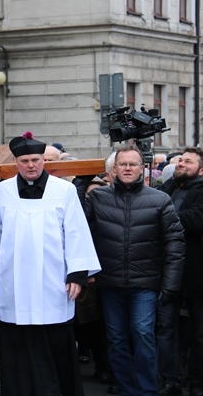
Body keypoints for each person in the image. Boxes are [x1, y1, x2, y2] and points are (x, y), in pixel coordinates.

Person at [0, 131, 101, 396]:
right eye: (24, 161)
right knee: (18, 347)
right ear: (16, 162)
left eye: (35, 159)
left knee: (55, 345)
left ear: (43, 160)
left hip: (53, 283)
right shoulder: (2, 191)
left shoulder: (64, 190)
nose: (30, 165)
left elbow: (77, 232)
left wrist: (77, 274)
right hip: (15, 284)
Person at [84, 145, 185, 396]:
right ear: (114, 169)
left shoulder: (160, 199)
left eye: (132, 164)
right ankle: (127, 390)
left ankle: (147, 391)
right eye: (123, 164)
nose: (127, 168)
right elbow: (80, 231)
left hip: (145, 283)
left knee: (143, 335)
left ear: (142, 168)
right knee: (116, 339)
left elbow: (175, 244)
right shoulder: (98, 198)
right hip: (110, 283)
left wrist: (170, 285)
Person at [155, 147, 203, 396]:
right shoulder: (167, 188)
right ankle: (170, 380)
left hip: (197, 275)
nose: (182, 164)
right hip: (167, 273)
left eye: (189, 161)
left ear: (201, 170)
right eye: (181, 160)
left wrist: (164, 216)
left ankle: (197, 381)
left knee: (200, 333)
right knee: (166, 329)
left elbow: (196, 219)